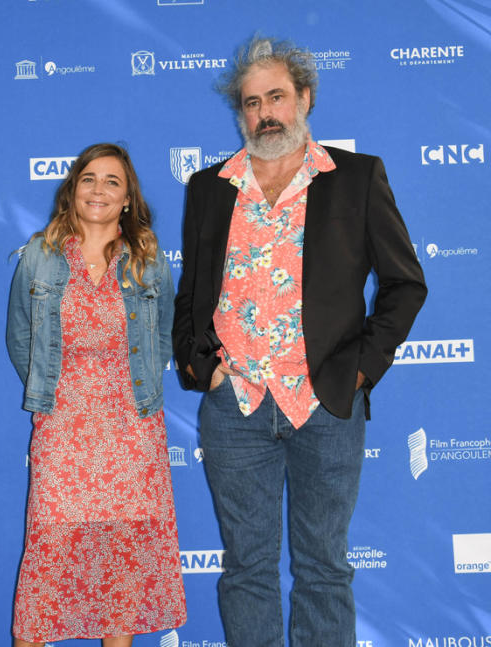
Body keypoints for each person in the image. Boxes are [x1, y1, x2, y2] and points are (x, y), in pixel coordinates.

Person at [172, 36, 427, 646]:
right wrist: (200, 366)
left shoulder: (356, 177)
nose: (265, 113)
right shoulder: (209, 187)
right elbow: (191, 296)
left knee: (324, 570)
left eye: (277, 97)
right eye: (251, 102)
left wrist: (359, 370)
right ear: (240, 113)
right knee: (246, 570)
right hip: (235, 407)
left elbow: (404, 284)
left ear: (305, 98)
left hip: (327, 404)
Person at [6, 143, 187, 647]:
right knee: (48, 558)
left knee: (120, 562)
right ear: (72, 190)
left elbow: (164, 333)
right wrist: (51, 392)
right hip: (63, 427)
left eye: (112, 181)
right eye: (89, 178)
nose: (99, 189)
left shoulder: (148, 260)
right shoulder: (40, 256)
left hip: (131, 428)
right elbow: (20, 336)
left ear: (127, 198)